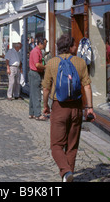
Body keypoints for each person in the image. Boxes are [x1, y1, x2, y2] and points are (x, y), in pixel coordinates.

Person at [42, 34, 96, 182]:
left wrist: (45, 106)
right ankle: (68, 176)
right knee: (72, 146)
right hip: (76, 108)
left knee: (56, 145)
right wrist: (89, 107)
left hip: (59, 107)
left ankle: (66, 173)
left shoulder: (52, 63)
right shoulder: (80, 62)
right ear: (71, 47)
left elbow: (46, 88)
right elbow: (87, 85)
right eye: (74, 45)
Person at [28, 37, 47, 121]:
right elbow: (37, 65)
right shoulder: (36, 51)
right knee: (37, 94)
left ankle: (32, 113)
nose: (45, 45)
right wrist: (45, 67)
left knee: (32, 94)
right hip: (35, 73)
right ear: (40, 43)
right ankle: (38, 114)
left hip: (33, 73)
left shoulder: (37, 51)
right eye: (45, 43)